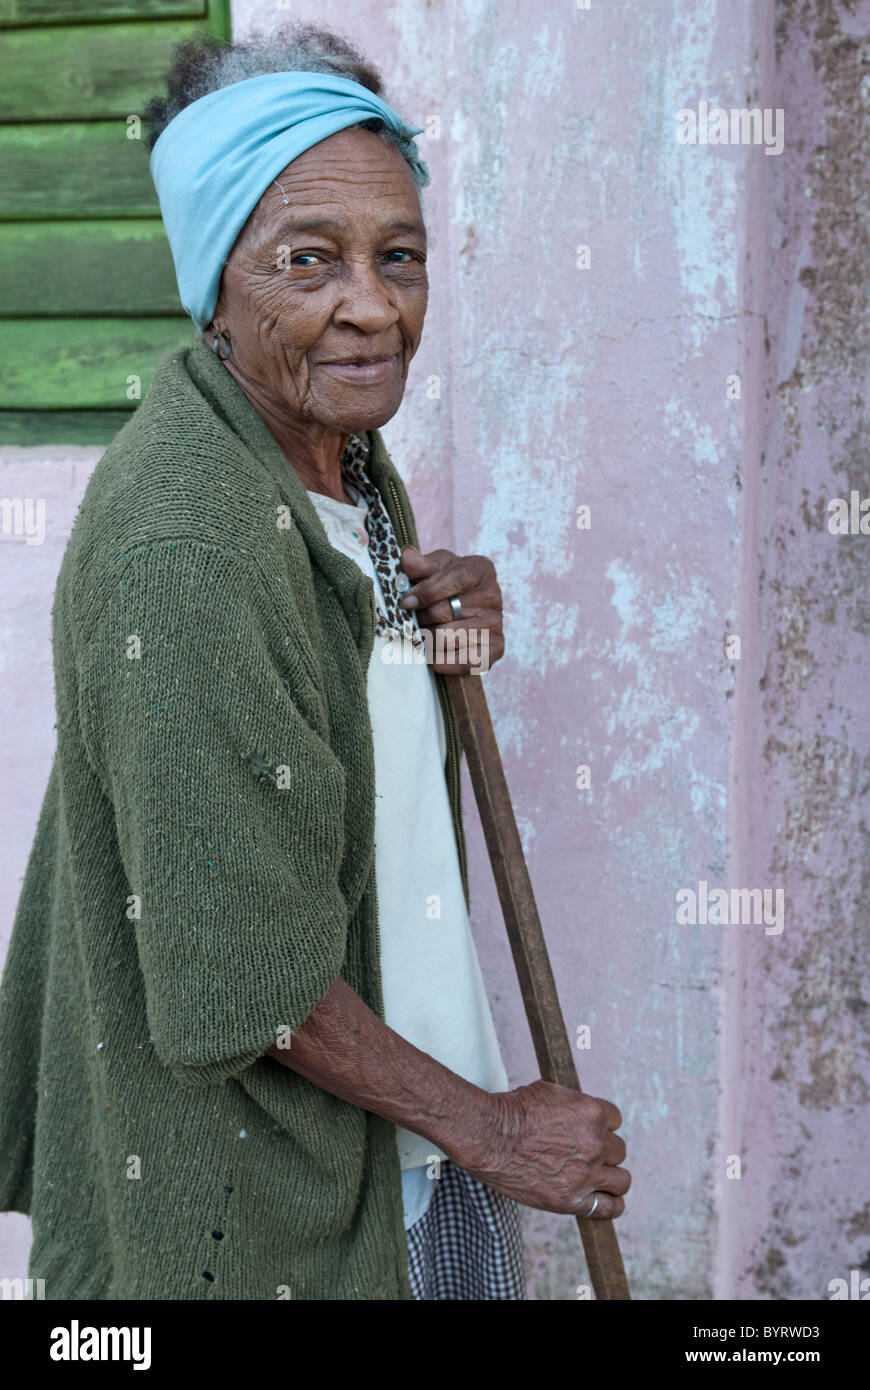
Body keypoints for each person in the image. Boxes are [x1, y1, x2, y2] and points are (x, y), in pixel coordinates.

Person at [0, 24, 629, 1300]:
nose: (374, 304)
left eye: (400, 257)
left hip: (415, 1126)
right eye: (310, 260)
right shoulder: (190, 538)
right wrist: (499, 1130)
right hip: (280, 1195)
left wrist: (426, 638)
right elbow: (239, 978)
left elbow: (325, 739)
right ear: (216, 284)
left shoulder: (335, 464)